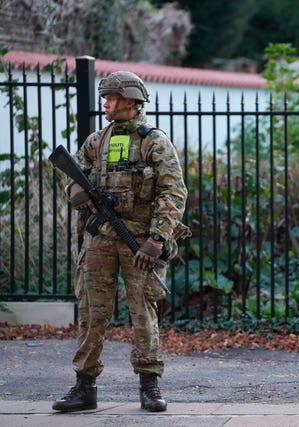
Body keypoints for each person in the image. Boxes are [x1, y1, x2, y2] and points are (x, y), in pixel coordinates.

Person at [52, 71, 188, 413]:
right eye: (106, 97)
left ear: (130, 100)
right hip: (100, 239)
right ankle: (84, 387)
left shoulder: (153, 141)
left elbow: (173, 192)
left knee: (143, 311)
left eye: (111, 97)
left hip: (139, 242)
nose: (105, 103)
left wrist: (157, 240)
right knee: (91, 312)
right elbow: (71, 177)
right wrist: (77, 191)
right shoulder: (97, 141)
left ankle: (149, 384)